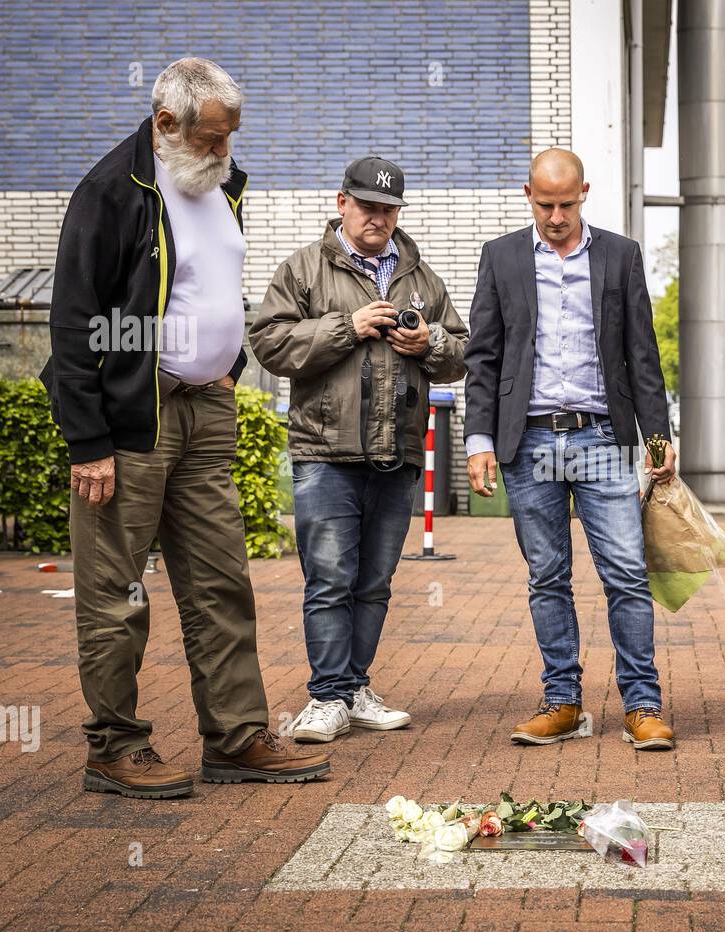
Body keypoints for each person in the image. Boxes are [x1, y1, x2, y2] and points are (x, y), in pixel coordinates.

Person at [41, 58, 331, 797]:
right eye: (212, 135)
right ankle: (114, 747)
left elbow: (213, 286)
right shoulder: (112, 192)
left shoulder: (220, 185)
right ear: (166, 123)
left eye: (232, 134)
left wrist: (227, 362)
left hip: (207, 410)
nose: (225, 148)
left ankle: (235, 740)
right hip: (134, 419)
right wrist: (89, 442)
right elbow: (75, 324)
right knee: (117, 593)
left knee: (220, 583)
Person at [464, 148, 676, 751]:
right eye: (544, 203)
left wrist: (657, 438)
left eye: (566, 202)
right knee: (548, 576)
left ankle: (643, 705)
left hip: (603, 436)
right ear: (526, 194)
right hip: (528, 440)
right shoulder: (501, 257)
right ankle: (562, 701)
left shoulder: (620, 254)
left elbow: (643, 355)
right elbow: (483, 356)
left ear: (585, 191)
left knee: (627, 575)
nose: (555, 216)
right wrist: (479, 440)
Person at [250, 157, 469, 743]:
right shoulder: (304, 268)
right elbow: (267, 343)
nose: (378, 218)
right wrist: (346, 326)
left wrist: (430, 341)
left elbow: (462, 353)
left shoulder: (421, 277)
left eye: (389, 209)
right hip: (325, 451)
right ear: (341, 201)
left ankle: (353, 687)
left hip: (397, 453)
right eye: (368, 205)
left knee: (374, 582)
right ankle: (325, 698)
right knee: (328, 579)